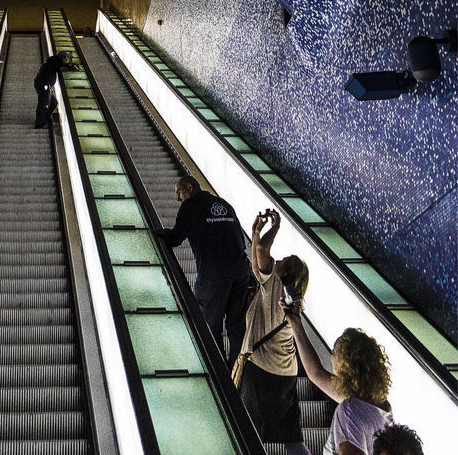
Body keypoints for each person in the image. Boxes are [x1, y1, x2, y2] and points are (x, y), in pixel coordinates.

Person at [237, 208, 310, 455]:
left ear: (286, 272)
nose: (278, 260)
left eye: (284, 260)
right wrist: (256, 231)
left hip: (261, 370)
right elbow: (257, 266)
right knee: (291, 436)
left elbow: (260, 253)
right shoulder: (286, 292)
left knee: (250, 431)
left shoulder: (277, 284)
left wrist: (275, 228)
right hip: (286, 372)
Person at [160, 174, 252, 366]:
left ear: (189, 187)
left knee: (209, 324)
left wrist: (161, 235)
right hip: (241, 271)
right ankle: (238, 371)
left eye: (179, 193)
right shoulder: (223, 204)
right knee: (237, 326)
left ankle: (218, 371)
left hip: (214, 275)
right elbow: (240, 240)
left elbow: (175, 239)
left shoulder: (190, 207)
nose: (178, 198)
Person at [286, 309, 393, 455]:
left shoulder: (350, 410)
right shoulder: (381, 405)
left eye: (335, 352)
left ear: (346, 364)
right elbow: (316, 373)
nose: (331, 358)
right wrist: (296, 324)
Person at [33, 50, 75, 127]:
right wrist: (71, 68)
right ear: (63, 58)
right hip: (44, 84)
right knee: (44, 103)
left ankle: (45, 118)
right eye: (66, 59)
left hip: (45, 84)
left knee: (53, 103)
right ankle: (39, 123)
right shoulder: (55, 60)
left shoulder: (53, 61)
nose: (66, 61)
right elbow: (61, 67)